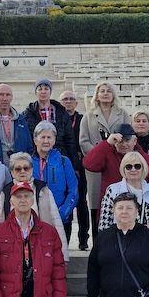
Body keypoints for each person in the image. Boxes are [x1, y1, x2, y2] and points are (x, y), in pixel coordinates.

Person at [0, 153, 69, 256]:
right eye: (18, 169)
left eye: (26, 168)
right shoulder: (6, 192)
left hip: (41, 246)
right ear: (12, 172)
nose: (22, 171)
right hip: (13, 249)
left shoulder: (43, 189)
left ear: (32, 170)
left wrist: (63, 254)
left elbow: (56, 221)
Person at [79, 82, 129, 234]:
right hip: (96, 167)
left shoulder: (123, 114)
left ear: (113, 94)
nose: (105, 93)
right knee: (96, 203)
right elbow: (83, 141)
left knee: (119, 201)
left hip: (117, 164)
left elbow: (128, 136)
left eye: (109, 91)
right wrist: (99, 153)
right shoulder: (88, 116)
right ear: (97, 95)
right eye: (102, 91)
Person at [82, 124, 149, 209]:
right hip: (111, 207)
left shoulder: (146, 160)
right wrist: (107, 143)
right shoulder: (107, 154)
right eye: (119, 141)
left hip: (141, 209)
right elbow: (89, 165)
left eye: (127, 140)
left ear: (135, 141)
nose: (123, 144)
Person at [31, 121, 79, 234]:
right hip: (34, 219)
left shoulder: (64, 161)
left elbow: (73, 189)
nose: (46, 141)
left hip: (60, 217)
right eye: (42, 137)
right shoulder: (28, 162)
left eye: (49, 137)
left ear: (54, 140)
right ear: (35, 140)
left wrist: (63, 212)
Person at [97, 151, 149, 231]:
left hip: (147, 240)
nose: (133, 169)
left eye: (137, 166)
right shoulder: (112, 190)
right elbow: (104, 224)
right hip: (120, 241)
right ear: (123, 169)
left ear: (143, 168)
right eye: (128, 167)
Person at [60, 90, 90, 249]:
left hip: (81, 166)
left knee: (82, 203)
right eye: (65, 99)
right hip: (65, 165)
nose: (68, 101)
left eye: (71, 99)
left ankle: (83, 240)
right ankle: (66, 238)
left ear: (76, 103)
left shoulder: (82, 119)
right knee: (68, 201)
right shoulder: (58, 119)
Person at [0, 84, 34, 165]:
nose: (4, 98)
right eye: (1, 94)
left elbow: (29, 145)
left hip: (19, 168)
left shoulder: (21, 120)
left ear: (12, 97)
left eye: (8, 95)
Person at [24, 78, 77, 162]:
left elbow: (69, 139)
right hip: (36, 157)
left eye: (46, 89)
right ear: (36, 92)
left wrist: (74, 163)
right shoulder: (28, 113)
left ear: (50, 91)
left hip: (59, 155)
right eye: (40, 89)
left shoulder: (61, 112)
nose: (43, 92)